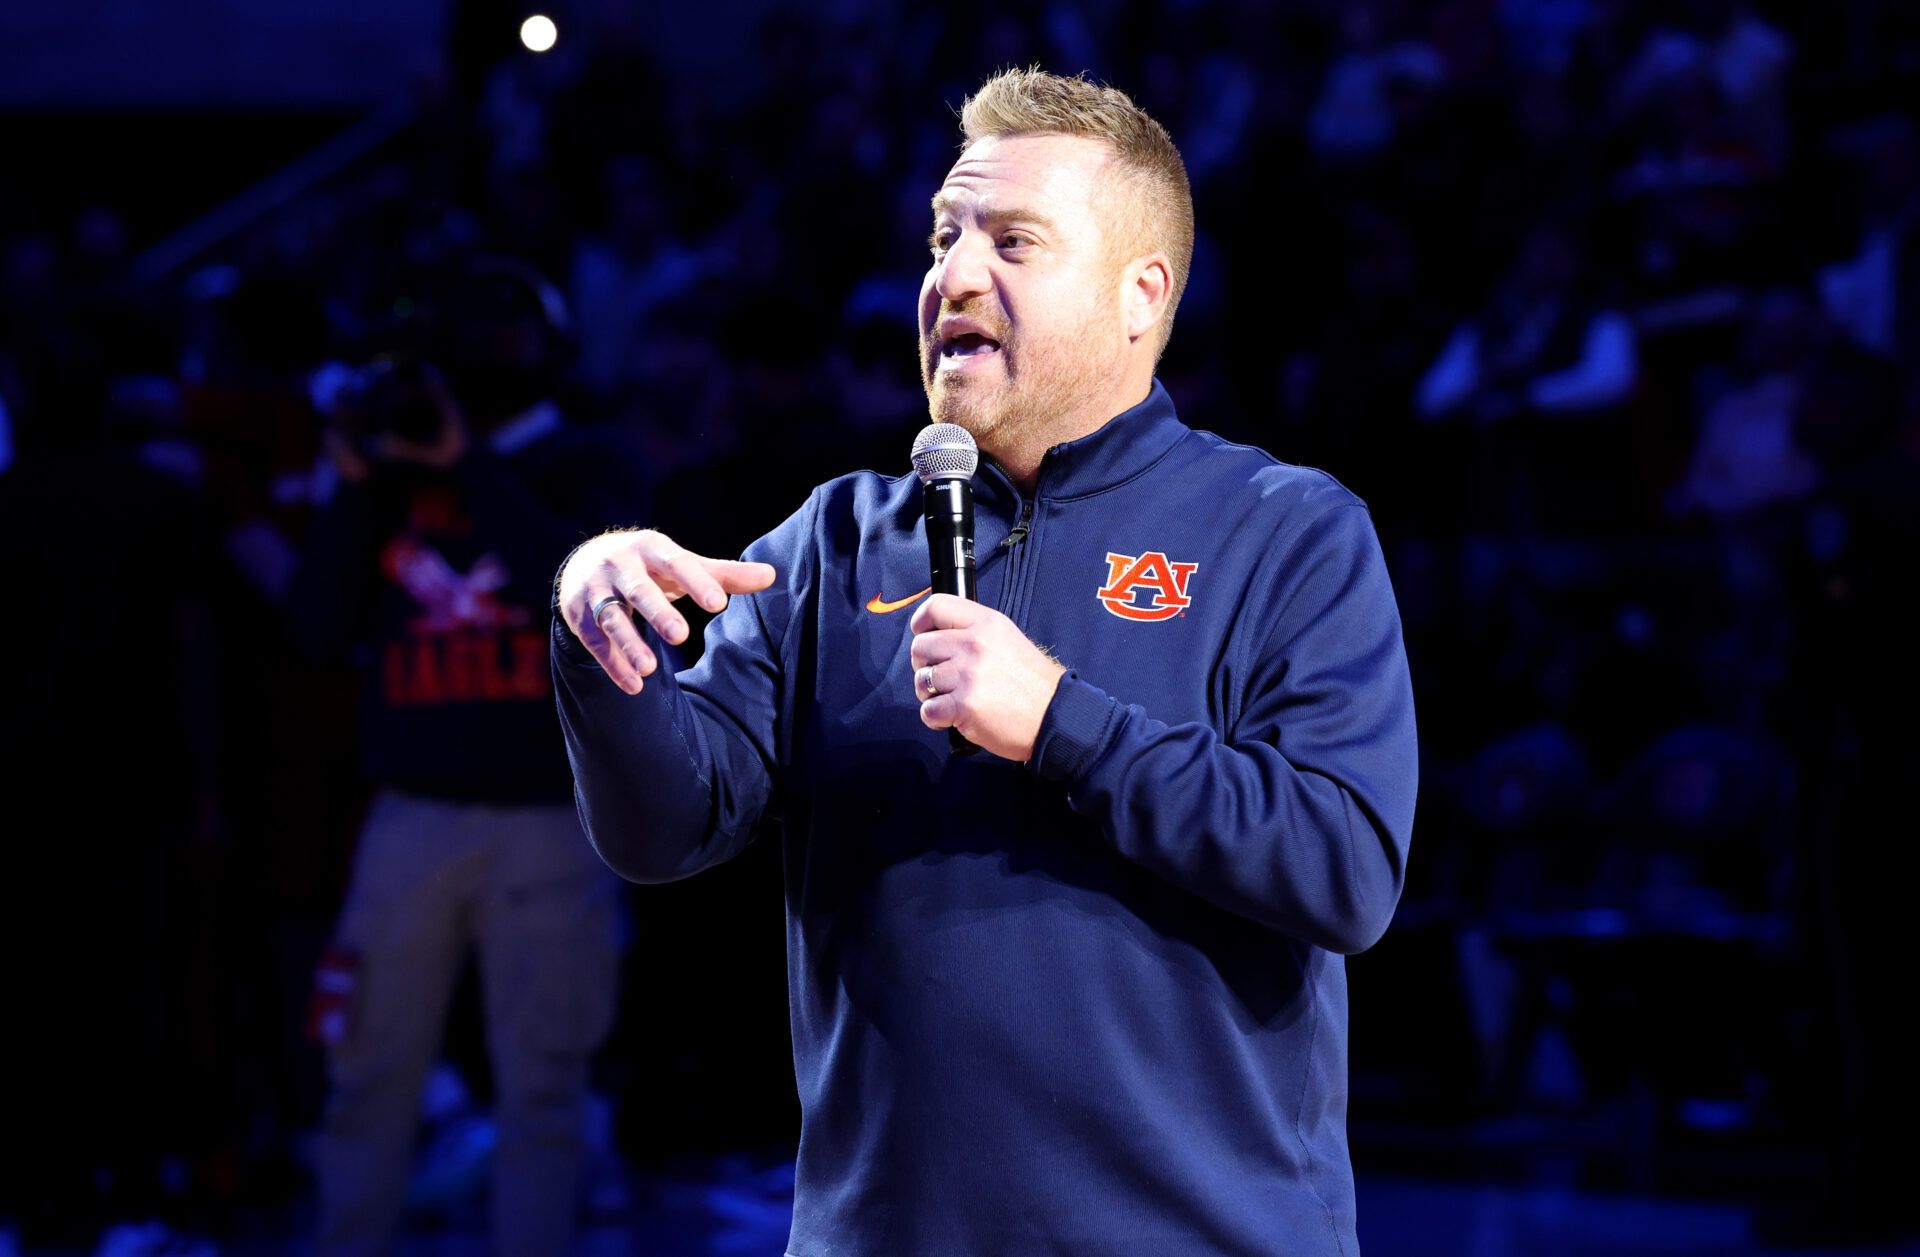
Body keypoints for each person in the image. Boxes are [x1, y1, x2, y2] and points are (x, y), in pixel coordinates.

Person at [552, 70, 1417, 1255]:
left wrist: (1064, 720)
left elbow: (1344, 868)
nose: (954, 276)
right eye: (946, 237)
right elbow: (660, 831)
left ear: (1139, 293)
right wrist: (601, 650)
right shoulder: (833, 541)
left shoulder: (1284, 528)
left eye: (1014, 241)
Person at [293, 262, 632, 1257]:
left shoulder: (589, 462)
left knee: (544, 1086)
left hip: (551, 818)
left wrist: (471, 462)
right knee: (367, 1075)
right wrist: (356, 492)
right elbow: (316, 630)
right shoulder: (391, 473)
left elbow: (583, 600)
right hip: (410, 814)